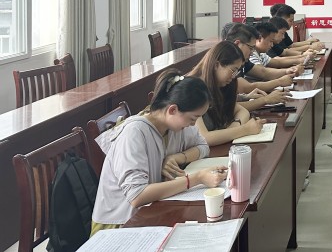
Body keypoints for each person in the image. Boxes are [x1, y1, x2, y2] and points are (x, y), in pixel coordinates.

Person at [91, 69, 226, 234]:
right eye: (193, 118)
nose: (193, 125)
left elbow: (203, 146)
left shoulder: (174, 126)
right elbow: (136, 195)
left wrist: (177, 157)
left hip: (151, 213)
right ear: (172, 110)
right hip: (120, 225)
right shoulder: (135, 132)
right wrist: (196, 178)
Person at [187, 41, 267, 146]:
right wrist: (245, 129)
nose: (234, 76)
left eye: (237, 71)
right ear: (216, 65)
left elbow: (243, 111)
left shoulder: (220, 86)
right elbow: (204, 138)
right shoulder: (191, 89)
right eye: (233, 70)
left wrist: (233, 128)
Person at [223, 23, 296, 91]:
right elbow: (246, 88)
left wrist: (286, 71)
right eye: (251, 48)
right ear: (237, 44)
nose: (252, 53)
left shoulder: (243, 60)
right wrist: (279, 82)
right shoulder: (225, 61)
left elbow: (263, 72)